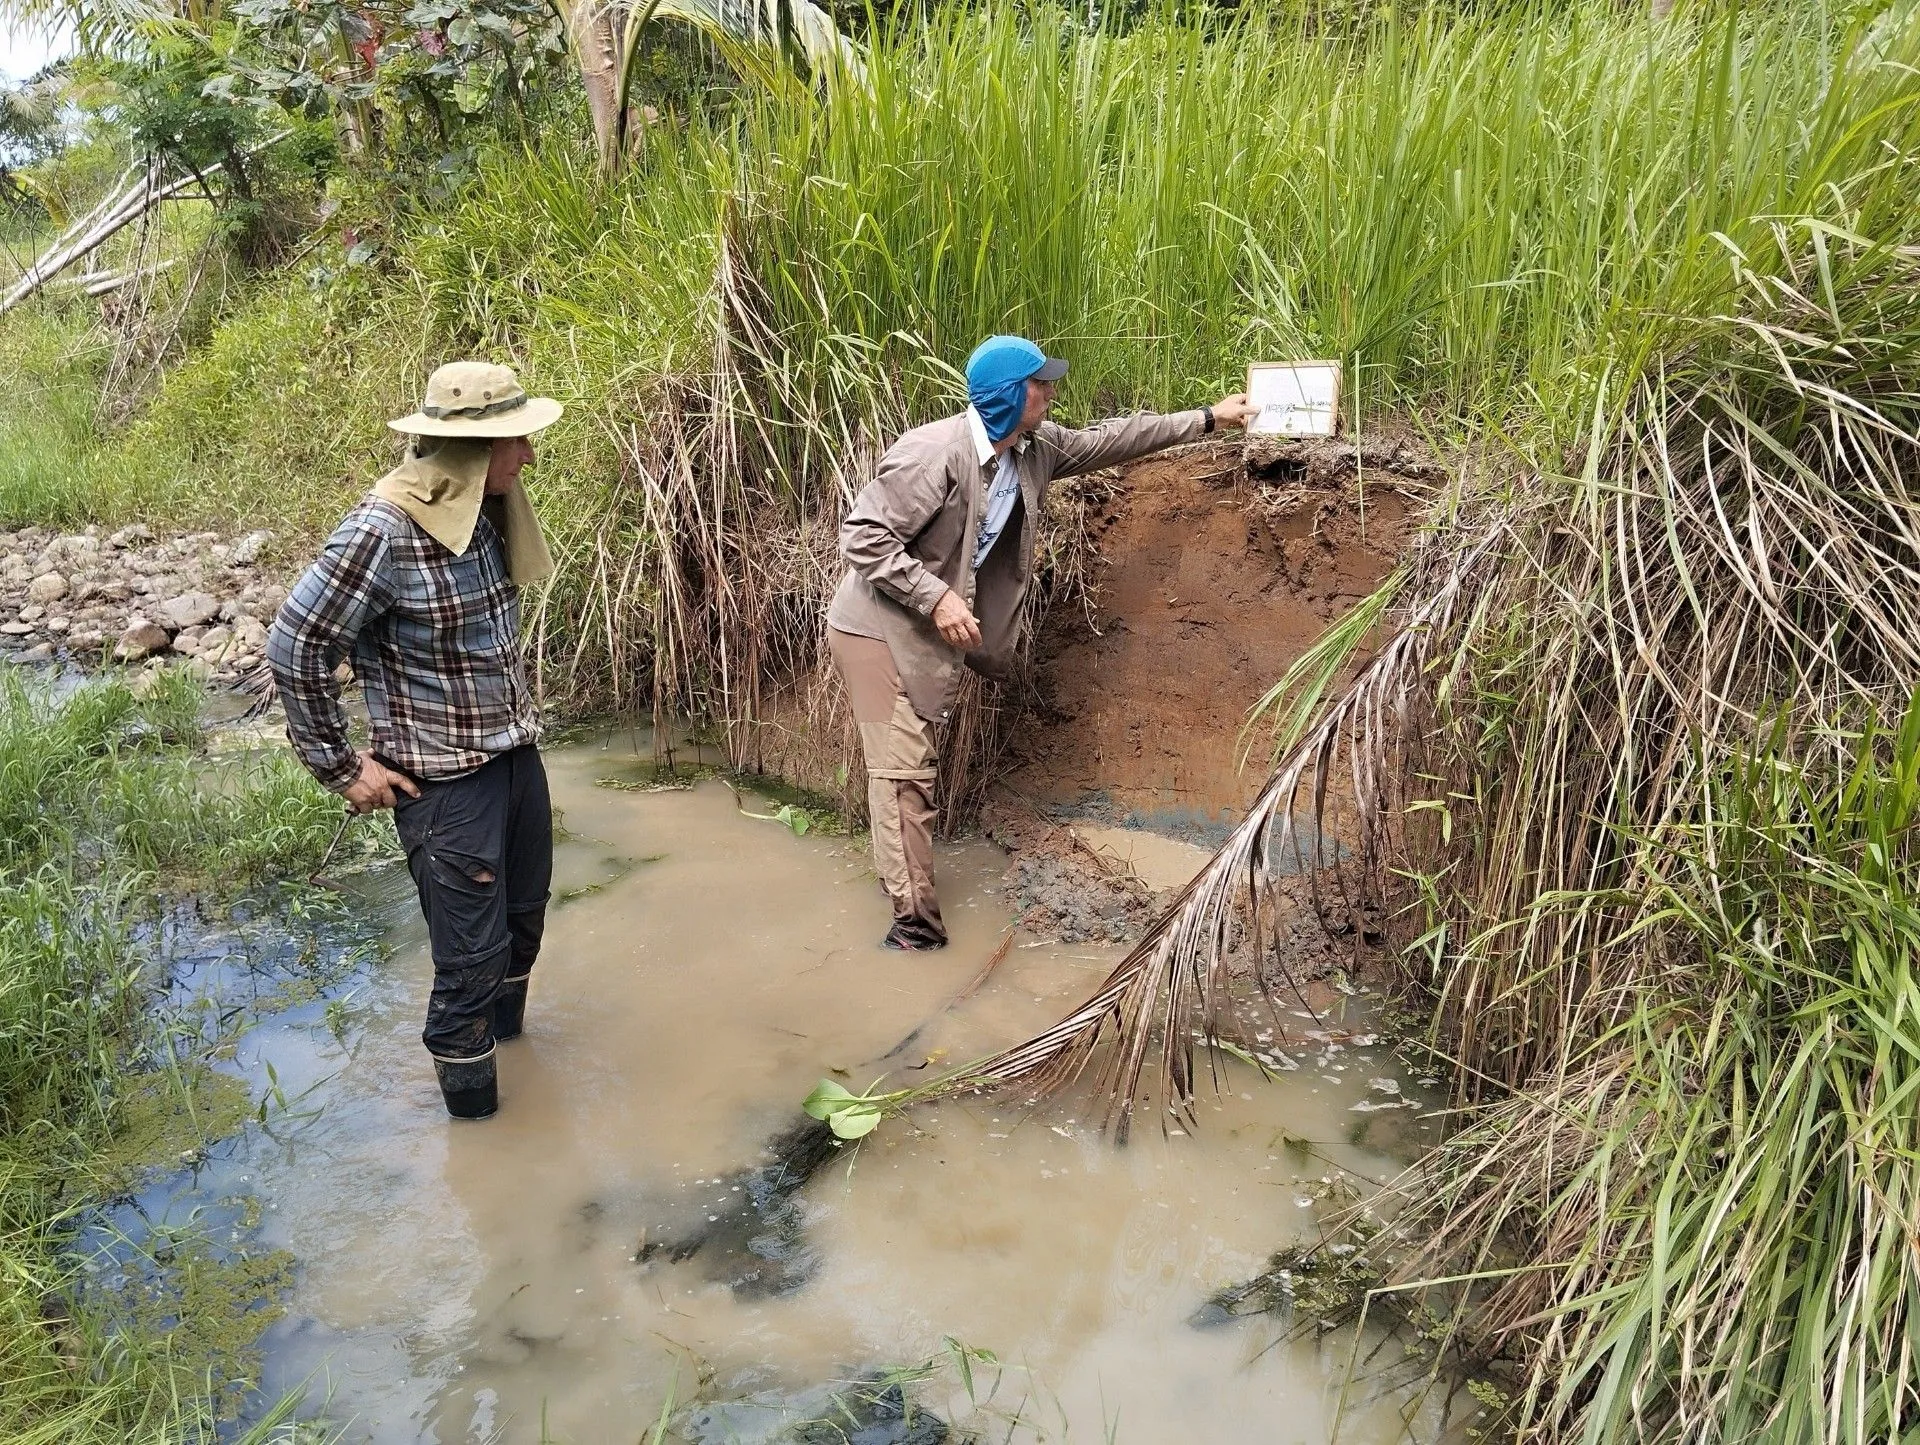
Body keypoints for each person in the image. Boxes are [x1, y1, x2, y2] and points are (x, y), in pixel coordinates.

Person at [827, 336, 1256, 950]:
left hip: (926, 626)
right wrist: (937, 597)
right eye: (1040, 383)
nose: (1052, 392)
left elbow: (1114, 439)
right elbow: (863, 537)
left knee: (909, 771)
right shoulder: (933, 454)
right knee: (903, 774)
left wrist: (1210, 418)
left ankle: (900, 875)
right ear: (1006, 394)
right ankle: (913, 932)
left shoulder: (1032, 450)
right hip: (878, 628)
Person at [267, 360, 561, 1120]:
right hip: (444, 785)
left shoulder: (485, 507)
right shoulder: (384, 531)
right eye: (516, 442)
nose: (527, 455)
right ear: (471, 450)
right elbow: (297, 641)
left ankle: (514, 1071)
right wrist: (340, 765)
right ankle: (487, 1148)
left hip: (512, 758)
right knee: (467, 971)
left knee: (521, 926)